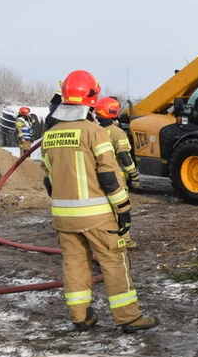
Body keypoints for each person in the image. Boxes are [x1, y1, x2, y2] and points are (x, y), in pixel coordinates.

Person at [40, 70, 159, 333]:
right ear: (92, 97)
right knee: (114, 262)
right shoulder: (95, 133)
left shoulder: (50, 135)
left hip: (63, 217)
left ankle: (80, 316)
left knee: (74, 264)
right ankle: (128, 317)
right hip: (97, 216)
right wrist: (124, 210)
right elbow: (108, 176)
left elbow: (48, 180)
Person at [95, 96, 140, 248]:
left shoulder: (94, 131)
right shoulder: (117, 132)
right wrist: (133, 175)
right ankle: (124, 240)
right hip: (116, 179)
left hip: (97, 178)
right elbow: (124, 155)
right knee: (121, 208)